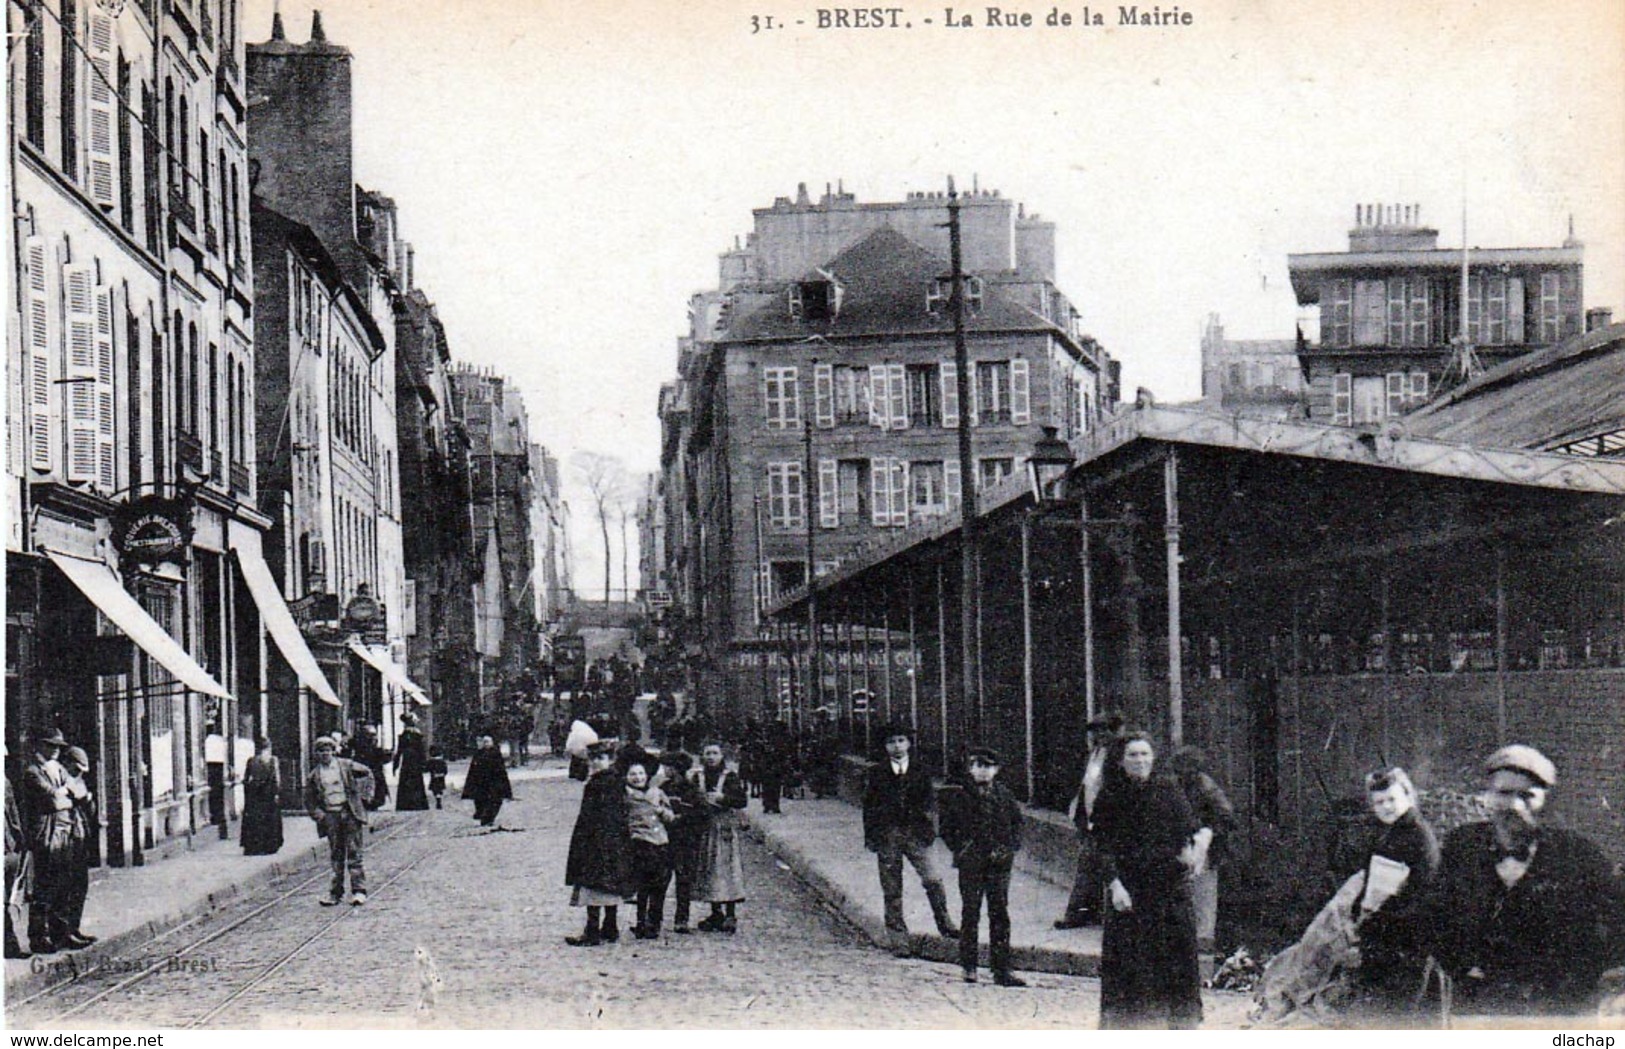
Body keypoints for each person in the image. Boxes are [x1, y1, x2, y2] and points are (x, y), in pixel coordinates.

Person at [1427, 744, 1625, 1017]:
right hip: (1477, 1004)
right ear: (1487, 796)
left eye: (1527, 795)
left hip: (1557, 1007)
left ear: (1545, 801)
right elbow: (1434, 915)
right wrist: (1461, 967)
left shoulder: (1579, 854)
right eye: (1504, 793)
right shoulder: (1462, 845)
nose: (1514, 806)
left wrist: (1585, 981)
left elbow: (1617, 925)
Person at [1092, 729, 1206, 1029]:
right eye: (1132, 755)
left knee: (1176, 963)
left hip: (1169, 891)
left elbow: (1190, 828)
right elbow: (1100, 847)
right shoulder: (1110, 796)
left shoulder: (1169, 789)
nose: (1139, 760)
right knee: (1132, 968)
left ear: (1153, 758)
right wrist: (1114, 885)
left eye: (1145, 754)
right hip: (1131, 893)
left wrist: (1192, 850)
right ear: (1121, 761)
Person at [1349, 766, 1439, 1017]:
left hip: (1407, 934)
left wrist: (1379, 918)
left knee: (1399, 1013)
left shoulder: (1418, 836)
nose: (1387, 806)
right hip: (1382, 929)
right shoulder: (1386, 833)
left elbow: (1422, 889)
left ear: (1408, 797)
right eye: (1379, 802)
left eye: (1392, 799)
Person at [862, 723, 959, 955]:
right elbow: (870, 807)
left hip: (916, 834)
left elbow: (930, 803)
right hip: (889, 834)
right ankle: (898, 937)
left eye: (901, 741)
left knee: (933, 878)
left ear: (909, 744)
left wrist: (929, 831)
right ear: (885, 746)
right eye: (891, 742)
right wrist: (873, 836)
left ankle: (946, 924)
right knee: (892, 886)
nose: (897, 746)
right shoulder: (876, 773)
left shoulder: (920, 770)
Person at [940, 745, 1025, 987]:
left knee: (1000, 914)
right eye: (978, 766)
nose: (983, 772)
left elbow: (1017, 825)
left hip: (999, 864)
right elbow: (947, 829)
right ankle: (969, 967)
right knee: (971, 913)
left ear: (996, 770)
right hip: (972, 863)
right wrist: (962, 850)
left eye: (988, 767)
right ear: (970, 769)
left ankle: (1001, 970)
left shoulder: (1004, 795)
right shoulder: (960, 795)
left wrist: (1008, 849)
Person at [1057, 712, 1123, 930]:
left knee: (1094, 865)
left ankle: (1080, 913)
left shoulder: (1116, 757)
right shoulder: (1094, 754)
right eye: (1096, 731)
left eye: (1104, 730)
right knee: (1090, 865)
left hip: (1107, 821)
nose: (1099, 735)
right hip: (1089, 818)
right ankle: (1085, 912)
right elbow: (1087, 787)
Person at [564, 741, 634, 946]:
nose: (596, 762)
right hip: (607, 839)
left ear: (610, 760)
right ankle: (609, 927)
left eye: (601, 758)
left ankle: (594, 930)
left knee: (594, 882)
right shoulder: (609, 780)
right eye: (593, 758)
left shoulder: (605, 782)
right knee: (609, 882)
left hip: (600, 840)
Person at [1170, 745, 1236, 953]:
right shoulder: (1177, 785)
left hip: (1204, 846)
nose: (1180, 774)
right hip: (1182, 844)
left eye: (1183, 769)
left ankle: (1204, 941)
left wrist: (1205, 830)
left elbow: (1226, 815)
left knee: (1204, 892)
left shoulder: (1206, 787)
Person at [22, 729, 76, 952]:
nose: (55, 750)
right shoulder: (33, 772)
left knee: (64, 885)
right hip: (46, 833)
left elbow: (76, 792)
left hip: (65, 832)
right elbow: (53, 800)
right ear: (39, 746)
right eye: (50, 745)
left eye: (58, 747)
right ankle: (39, 937)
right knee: (45, 886)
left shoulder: (59, 768)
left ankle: (61, 934)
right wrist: (64, 795)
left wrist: (64, 795)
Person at [302, 736, 373, 906]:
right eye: (321, 751)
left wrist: (363, 797)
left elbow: (368, 773)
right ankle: (336, 893)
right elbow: (309, 800)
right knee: (336, 855)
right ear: (317, 754)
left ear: (334, 751)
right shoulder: (314, 775)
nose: (325, 754)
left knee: (354, 852)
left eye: (328, 750)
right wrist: (319, 815)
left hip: (348, 813)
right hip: (331, 816)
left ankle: (359, 891)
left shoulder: (346, 765)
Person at [688, 741, 747, 932]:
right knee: (709, 870)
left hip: (724, 830)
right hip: (705, 828)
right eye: (707, 753)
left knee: (727, 870)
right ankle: (716, 912)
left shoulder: (729, 777)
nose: (711, 757)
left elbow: (741, 801)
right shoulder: (697, 777)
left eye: (715, 753)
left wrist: (723, 798)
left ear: (722, 756)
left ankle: (730, 914)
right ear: (702, 756)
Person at [624, 752, 675, 939]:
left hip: (661, 843)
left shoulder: (657, 793)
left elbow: (670, 816)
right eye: (633, 774)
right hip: (640, 844)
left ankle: (655, 922)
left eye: (641, 774)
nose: (638, 778)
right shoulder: (625, 797)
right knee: (642, 886)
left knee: (660, 886)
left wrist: (661, 809)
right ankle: (641, 922)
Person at [56, 747, 97, 948]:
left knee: (80, 886)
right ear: (67, 763)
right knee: (66, 886)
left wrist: (87, 799)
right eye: (76, 768)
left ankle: (74, 928)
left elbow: (88, 809)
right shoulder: (61, 780)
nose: (79, 772)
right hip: (66, 839)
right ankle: (64, 933)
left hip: (80, 836)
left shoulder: (78, 781)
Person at [661, 751, 705, 934]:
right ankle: (654, 918)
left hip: (685, 841)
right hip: (665, 840)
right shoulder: (663, 787)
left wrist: (681, 817)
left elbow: (702, 815)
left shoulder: (692, 790)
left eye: (666, 767)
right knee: (660, 879)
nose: (664, 770)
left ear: (674, 769)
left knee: (683, 881)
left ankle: (682, 919)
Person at [5, 747, 30, 959]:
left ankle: (10, 945)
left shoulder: (4, 784)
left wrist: (20, 841)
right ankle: (10, 946)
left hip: (8, 849)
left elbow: (13, 816)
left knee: (6, 900)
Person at [241, 737, 284, 856]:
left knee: (255, 821)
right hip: (268, 794)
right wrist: (276, 793)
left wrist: (249, 789)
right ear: (268, 747)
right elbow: (276, 779)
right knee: (269, 820)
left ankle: (254, 846)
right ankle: (269, 846)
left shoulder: (251, 760)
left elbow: (246, 780)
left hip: (254, 795)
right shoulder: (272, 760)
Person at [462, 735, 513, 827]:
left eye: (487, 742)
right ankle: (483, 816)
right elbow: (473, 771)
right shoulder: (479, 754)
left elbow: (501, 771)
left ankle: (488, 818)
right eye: (484, 742)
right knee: (482, 801)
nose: (486, 744)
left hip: (493, 783)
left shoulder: (495, 754)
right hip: (481, 783)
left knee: (494, 801)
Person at [344, 726, 390, 811]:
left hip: (374, 770)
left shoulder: (372, 746)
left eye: (374, 735)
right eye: (371, 735)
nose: (373, 738)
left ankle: (374, 801)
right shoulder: (360, 746)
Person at [392, 712, 430, 811]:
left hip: (406, 761)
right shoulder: (417, 735)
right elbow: (422, 750)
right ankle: (417, 803)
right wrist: (424, 763)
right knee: (416, 781)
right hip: (415, 761)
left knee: (406, 781)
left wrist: (395, 765)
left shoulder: (403, 735)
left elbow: (399, 751)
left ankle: (405, 803)